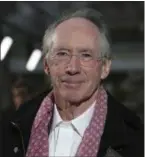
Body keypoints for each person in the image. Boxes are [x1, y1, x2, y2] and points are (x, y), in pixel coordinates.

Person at [1, 8, 143, 157]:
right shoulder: (10, 129)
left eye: (86, 55)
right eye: (62, 54)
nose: (73, 68)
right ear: (46, 65)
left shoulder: (136, 140)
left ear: (105, 67)